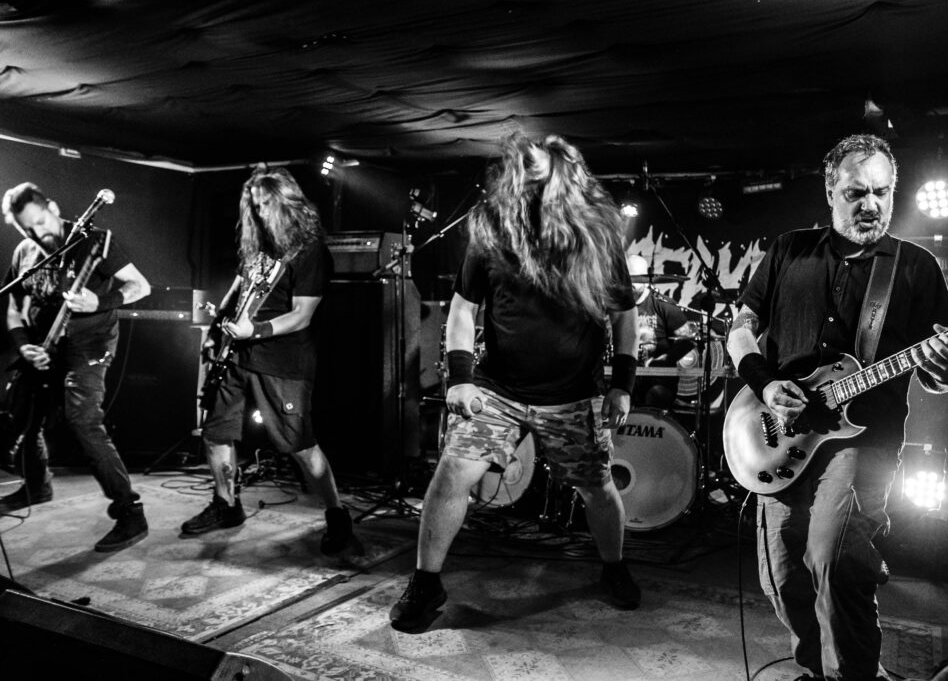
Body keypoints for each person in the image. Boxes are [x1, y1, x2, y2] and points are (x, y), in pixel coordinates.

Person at [726, 134, 948, 681]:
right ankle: (817, 670)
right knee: (781, 573)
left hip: (863, 440)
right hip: (783, 431)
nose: (871, 204)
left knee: (834, 561)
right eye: (857, 192)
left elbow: (943, 373)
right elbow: (740, 329)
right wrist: (765, 384)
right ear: (831, 191)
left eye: (883, 191)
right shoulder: (788, 250)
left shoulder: (915, 266)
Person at [389, 133, 640, 632]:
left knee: (597, 486)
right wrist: (460, 378)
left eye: (538, 172)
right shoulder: (495, 232)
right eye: (523, 173)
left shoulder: (597, 238)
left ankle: (613, 567)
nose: (527, 181)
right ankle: (425, 582)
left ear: (564, 178)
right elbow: (463, 308)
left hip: (573, 394)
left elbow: (624, 316)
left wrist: (623, 384)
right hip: (498, 390)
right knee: (452, 474)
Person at [179, 167, 357, 555]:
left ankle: (337, 515)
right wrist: (216, 333)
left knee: (299, 445)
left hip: (283, 363)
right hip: (236, 357)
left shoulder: (309, 251)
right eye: (254, 205)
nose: (259, 213)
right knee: (216, 432)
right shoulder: (257, 246)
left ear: (287, 203)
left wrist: (255, 331)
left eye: (265, 204)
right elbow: (238, 291)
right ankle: (226, 504)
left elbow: (302, 315)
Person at [1, 182, 151, 552]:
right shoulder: (24, 253)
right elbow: (15, 309)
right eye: (28, 229)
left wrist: (100, 301)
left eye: (41, 222)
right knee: (23, 411)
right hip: (44, 346)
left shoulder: (92, 241)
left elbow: (140, 286)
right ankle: (37, 486)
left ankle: (130, 511)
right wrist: (24, 345)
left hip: (90, 345)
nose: (39, 234)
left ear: (52, 207)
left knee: (82, 419)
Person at [626, 253, 701, 409]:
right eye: (627, 278)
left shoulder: (663, 305)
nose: (630, 283)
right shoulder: (619, 306)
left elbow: (690, 339)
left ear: (647, 279)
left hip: (657, 379)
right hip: (625, 376)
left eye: (635, 279)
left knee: (656, 395)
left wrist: (665, 359)